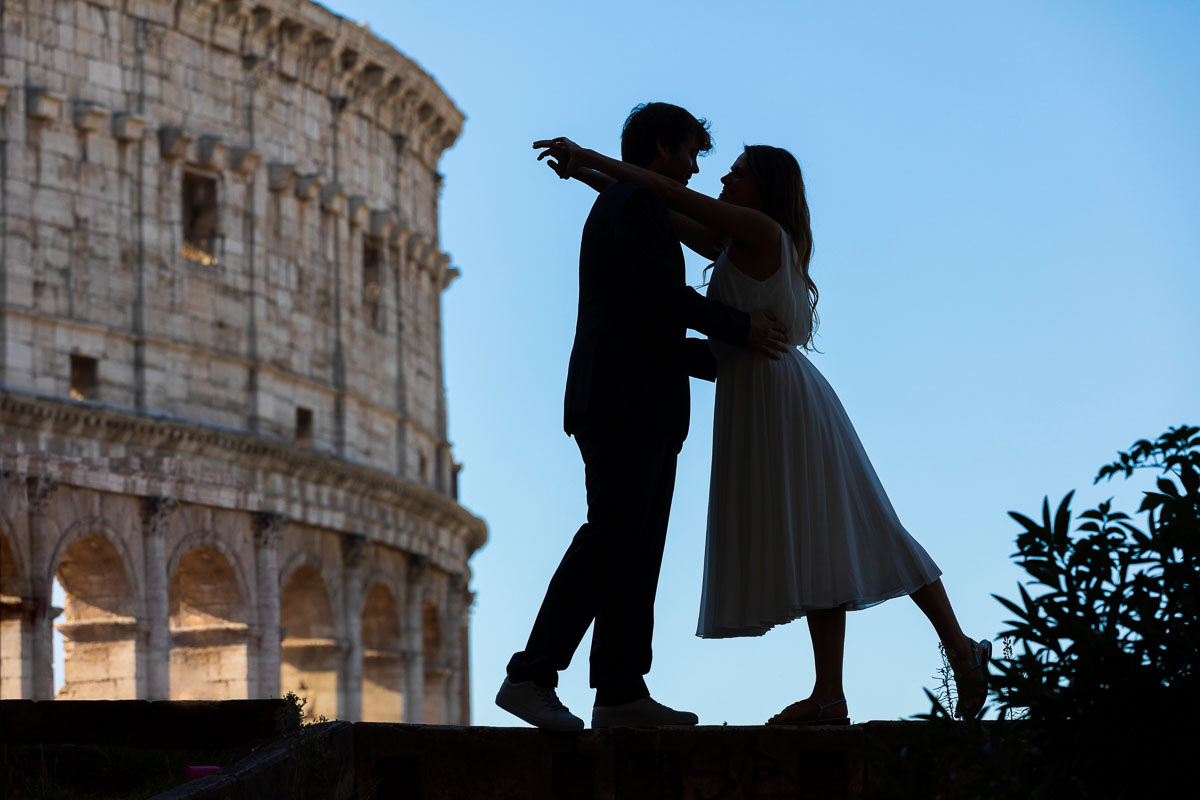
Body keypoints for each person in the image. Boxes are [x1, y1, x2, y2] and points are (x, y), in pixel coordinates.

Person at [534, 134, 992, 724]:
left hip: (784, 400)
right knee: (820, 541)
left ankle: (957, 648)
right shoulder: (737, 242)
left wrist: (592, 157)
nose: (722, 180)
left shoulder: (760, 232)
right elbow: (658, 211)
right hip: (764, 397)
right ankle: (831, 694)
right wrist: (589, 178)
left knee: (861, 527)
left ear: (765, 188)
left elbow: (671, 193)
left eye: (737, 173)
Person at [497, 103, 790, 731]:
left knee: (634, 545)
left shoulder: (632, 203)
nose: (692, 169)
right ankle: (532, 674)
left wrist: (720, 360)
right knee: (613, 536)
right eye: (689, 153)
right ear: (661, 148)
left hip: (635, 397)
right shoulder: (635, 205)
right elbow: (661, 301)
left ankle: (622, 691)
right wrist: (739, 331)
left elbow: (646, 319)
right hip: (624, 401)